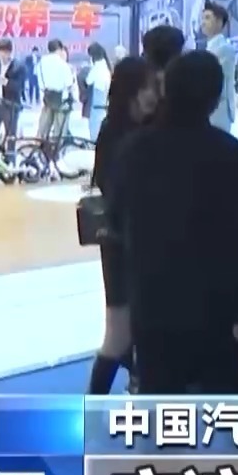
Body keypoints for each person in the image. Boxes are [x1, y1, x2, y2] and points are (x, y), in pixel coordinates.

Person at [114, 51, 238, 393]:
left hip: (152, 296)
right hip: (216, 303)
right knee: (223, 404)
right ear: (214, 98)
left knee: (160, 402)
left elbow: (117, 214)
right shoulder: (227, 151)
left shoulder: (134, 147)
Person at [85, 56, 156, 394]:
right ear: (132, 91)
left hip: (135, 243)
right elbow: (113, 187)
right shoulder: (118, 134)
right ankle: (93, 407)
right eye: (149, 87)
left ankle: (135, 382)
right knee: (117, 334)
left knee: (130, 331)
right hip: (123, 244)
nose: (155, 95)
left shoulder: (140, 130)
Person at [199, 3, 238, 133]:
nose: (203, 23)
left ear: (219, 22)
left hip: (219, 110)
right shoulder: (210, 47)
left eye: (207, 18)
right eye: (202, 18)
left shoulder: (224, 49)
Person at [36, 39, 76, 157]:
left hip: (47, 98)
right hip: (61, 100)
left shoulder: (41, 62)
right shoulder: (62, 63)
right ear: (59, 49)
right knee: (59, 131)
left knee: (44, 128)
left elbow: (40, 82)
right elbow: (69, 83)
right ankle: (56, 154)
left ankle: (40, 152)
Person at [83, 43, 113, 144]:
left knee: (94, 127)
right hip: (104, 100)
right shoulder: (107, 65)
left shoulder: (97, 67)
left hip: (97, 101)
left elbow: (88, 81)